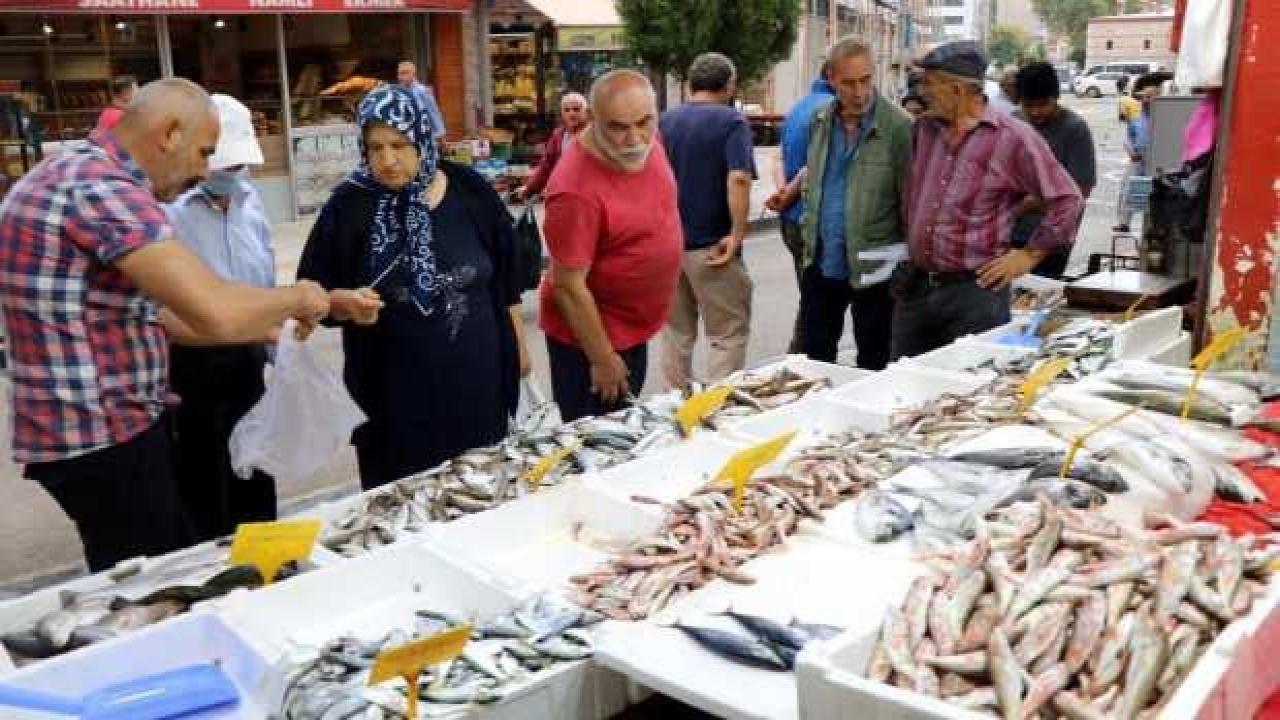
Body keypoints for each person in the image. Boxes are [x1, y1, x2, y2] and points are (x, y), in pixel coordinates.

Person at [0, 79, 330, 571]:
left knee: (166, 559)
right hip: (102, 434)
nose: (203, 171)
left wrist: (260, 326)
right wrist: (300, 296)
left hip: (88, 429)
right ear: (170, 134)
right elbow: (212, 306)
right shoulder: (104, 189)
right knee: (150, 583)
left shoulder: (74, 171)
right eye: (202, 153)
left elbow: (157, 314)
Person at [298, 85, 529, 490]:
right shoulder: (349, 207)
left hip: (478, 384)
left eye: (400, 145)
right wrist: (343, 304)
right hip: (393, 400)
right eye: (375, 147)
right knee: (403, 502)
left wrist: (520, 349)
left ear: (423, 139)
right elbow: (311, 294)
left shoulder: (470, 190)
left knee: (478, 494)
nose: (387, 160)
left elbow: (505, 280)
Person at [891, 42, 1082, 360]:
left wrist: (1030, 255)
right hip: (917, 288)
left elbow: (1067, 199)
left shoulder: (1013, 137)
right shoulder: (924, 129)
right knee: (901, 385)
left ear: (956, 89)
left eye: (929, 83)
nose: (922, 91)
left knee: (963, 389)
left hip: (974, 294)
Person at [163, 94, 285, 540]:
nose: (232, 176)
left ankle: (263, 566)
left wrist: (277, 348)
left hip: (248, 359)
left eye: (238, 168)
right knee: (205, 487)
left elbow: (265, 272)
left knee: (253, 473)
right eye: (223, 166)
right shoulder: (167, 210)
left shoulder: (250, 200)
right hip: (191, 366)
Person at [539, 70, 682, 422]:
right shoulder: (573, 189)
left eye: (644, 122)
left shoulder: (648, 140)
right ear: (593, 120)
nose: (635, 137)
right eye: (619, 127)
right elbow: (568, 286)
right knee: (597, 449)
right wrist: (602, 358)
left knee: (628, 429)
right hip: (592, 343)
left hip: (632, 329)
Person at [768, 37, 912, 371]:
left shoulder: (899, 127)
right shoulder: (820, 121)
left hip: (876, 266)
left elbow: (911, 199)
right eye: (849, 82)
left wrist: (906, 265)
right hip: (823, 259)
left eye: (866, 80)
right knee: (815, 358)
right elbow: (814, 176)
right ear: (831, 78)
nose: (859, 92)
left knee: (875, 361)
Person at [658, 53, 756, 388]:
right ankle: (715, 411)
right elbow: (739, 178)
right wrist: (737, 233)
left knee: (675, 334)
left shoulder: (665, 121)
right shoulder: (732, 122)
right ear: (729, 85)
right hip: (712, 245)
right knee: (727, 335)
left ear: (690, 83)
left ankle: (677, 405)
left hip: (669, 246)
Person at [766, 62, 835, 352]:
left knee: (810, 295)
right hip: (810, 217)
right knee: (817, 301)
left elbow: (778, 157)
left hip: (792, 220)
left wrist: (782, 192)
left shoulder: (798, 107)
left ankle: (802, 353)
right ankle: (801, 358)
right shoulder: (831, 110)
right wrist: (789, 195)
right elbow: (813, 164)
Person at [1012, 62, 1097, 279]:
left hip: (1052, 237)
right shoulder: (1013, 122)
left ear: (1057, 96)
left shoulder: (1074, 129)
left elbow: (1080, 190)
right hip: (1009, 232)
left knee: (1037, 292)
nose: (1035, 112)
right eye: (1028, 105)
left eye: (1043, 104)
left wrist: (1028, 204)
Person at [512, 93, 588, 203]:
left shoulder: (593, 135)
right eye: (567, 110)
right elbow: (546, 165)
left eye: (576, 109)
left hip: (586, 195)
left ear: (585, 111)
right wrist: (529, 189)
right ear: (562, 113)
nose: (571, 113)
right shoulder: (558, 135)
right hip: (563, 193)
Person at [1114, 75, 1159, 233]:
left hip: (1156, 161)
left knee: (1153, 194)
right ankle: (1124, 223)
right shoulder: (1137, 119)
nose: (1145, 100)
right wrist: (1131, 151)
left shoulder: (1161, 120)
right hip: (1138, 158)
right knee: (1128, 189)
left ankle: (1153, 228)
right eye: (1143, 97)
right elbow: (1128, 138)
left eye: (1149, 97)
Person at [396, 60, 447, 142]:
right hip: (406, 137)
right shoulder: (398, 92)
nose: (400, 77)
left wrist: (441, 138)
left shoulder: (422, 91)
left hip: (424, 136)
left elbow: (433, 113)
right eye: (399, 73)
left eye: (404, 73)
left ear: (413, 74)